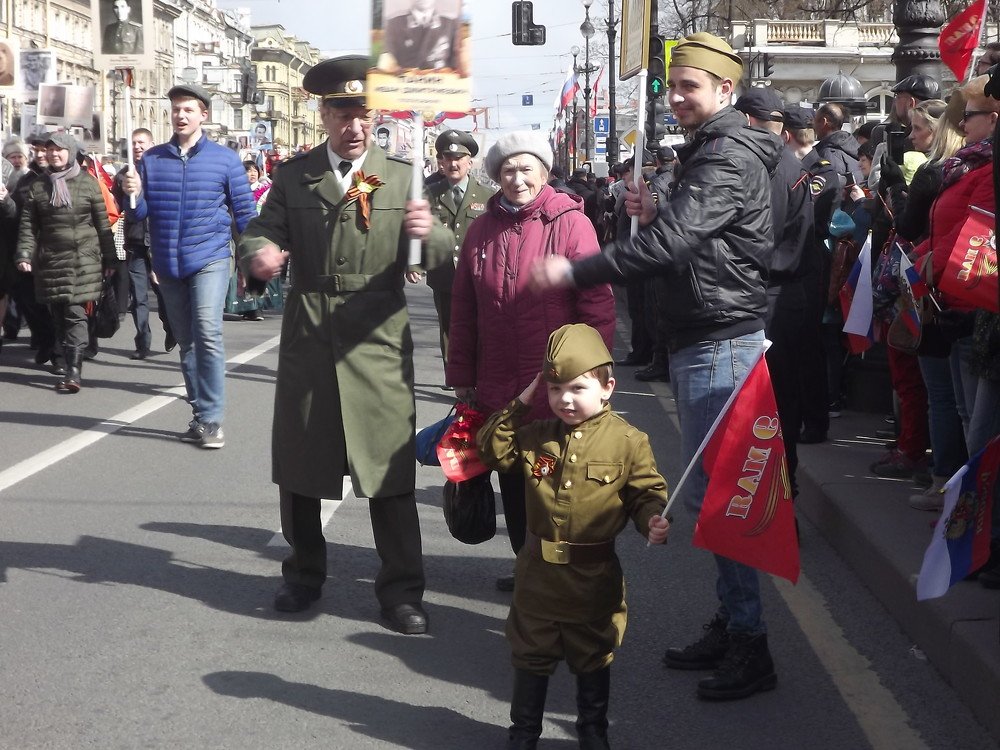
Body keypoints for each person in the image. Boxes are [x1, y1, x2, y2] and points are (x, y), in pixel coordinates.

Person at [533, 32, 781, 701]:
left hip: (721, 340)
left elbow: (674, 245)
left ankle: (750, 641)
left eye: (689, 86)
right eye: (673, 85)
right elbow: (696, 235)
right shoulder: (712, 150)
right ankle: (735, 622)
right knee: (714, 495)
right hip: (706, 335)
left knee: (719, 498)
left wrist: (576, 267)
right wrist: (658, 209)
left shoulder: (725, 155)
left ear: (725, 91)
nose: (676, 98)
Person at [237, 55, 452, 634]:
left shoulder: (403, 176)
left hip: (377, 332)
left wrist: (432, 235)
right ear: (323, 115)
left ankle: (402, 590)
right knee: (303, 464)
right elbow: (262, 230)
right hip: (309, 328)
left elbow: (440, 256)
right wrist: (257, 255)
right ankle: (303, 575)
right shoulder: (293, 175)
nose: (352, 125)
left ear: (371, 116)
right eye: (340, 112)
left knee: (388, 469)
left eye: (361, 113)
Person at [477, 323, 669, 749]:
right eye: (554, 387)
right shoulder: (536, 436)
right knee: (530, 654)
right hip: (538, 577)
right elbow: (492, 448)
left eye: (578, 387)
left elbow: (645, 494)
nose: (564, 399)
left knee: (593, 654)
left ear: (607, 388)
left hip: (592, 578)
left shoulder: (628, 442)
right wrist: (525, 399)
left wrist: (652, 519)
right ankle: (523, 733)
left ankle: (592, 733)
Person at [446, 130, 616, 592]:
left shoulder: (569, 222)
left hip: (557, 382)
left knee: (557, 482)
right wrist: (462, 375)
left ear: (544, 173)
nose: (517, 179)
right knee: (514, 478)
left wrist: (592, 372)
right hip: (499, 383)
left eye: (526, 169)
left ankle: (562, 573)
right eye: (507, 171)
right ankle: (527, 564)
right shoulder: (481, 229)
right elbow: (463, 310)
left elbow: (596, 300)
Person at [123, 83, 257, 449]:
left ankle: (213, 418)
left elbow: (245, 213)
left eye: (188, 109)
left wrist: (251, 260)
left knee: (208, 332)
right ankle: (200, 413)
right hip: (168, 262)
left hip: (210, 257)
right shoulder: (151, 160)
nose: (181, 115)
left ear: (203, 115)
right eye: (176, 109)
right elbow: (138, 214)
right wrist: (130, 191)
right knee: (186, 341)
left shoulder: (225, 159)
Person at [734, 87, 815, 490]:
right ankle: (785, 491)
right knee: (784, 400)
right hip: (787, 297)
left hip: (751, 297)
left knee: (749, 406)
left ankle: (755, 495)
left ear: (745, 121)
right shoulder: (794, 167)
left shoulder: (742, 163)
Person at [14, 133, 116, 392]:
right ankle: (67, 360)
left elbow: (102, 225)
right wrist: (25, 254)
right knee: (58, 315)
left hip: (83, 260)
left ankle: (73, 371)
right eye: (49, 151)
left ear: (70, 152)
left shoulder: (89, 184)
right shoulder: (39, 187)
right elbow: (28, 226)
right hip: (50, 261)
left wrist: (110, 258)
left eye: (59, 150)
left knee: (74, 313)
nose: (53, 155)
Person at [418, 129, 493, 365]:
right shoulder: (429, 194)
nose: (453, 164)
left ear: (470, 163)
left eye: (458, 159)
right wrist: (414, 263)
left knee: (480, 324)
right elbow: (417, 230)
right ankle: (455, 374)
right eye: (447, 159)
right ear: (441, 162)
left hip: (478, 274)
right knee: (448, 326)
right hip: (443, 273)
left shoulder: (488, 195)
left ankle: (478, 369)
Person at [114, 127, 173, 359]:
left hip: (158, 241)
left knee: (164, 292)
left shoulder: (160, 172)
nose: (137, 147)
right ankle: (142, 343)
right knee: (139, 297)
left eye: (142, 143)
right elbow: (119, 208)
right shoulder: (123, 176)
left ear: (151, 145)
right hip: (135, 242)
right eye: (134, 144)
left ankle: (172, 328)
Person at [383, 0, 458, 71]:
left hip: (440, 81)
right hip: (406, 81)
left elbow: (455, 63)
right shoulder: (394, 24)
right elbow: (387, 61)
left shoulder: (450, 24)